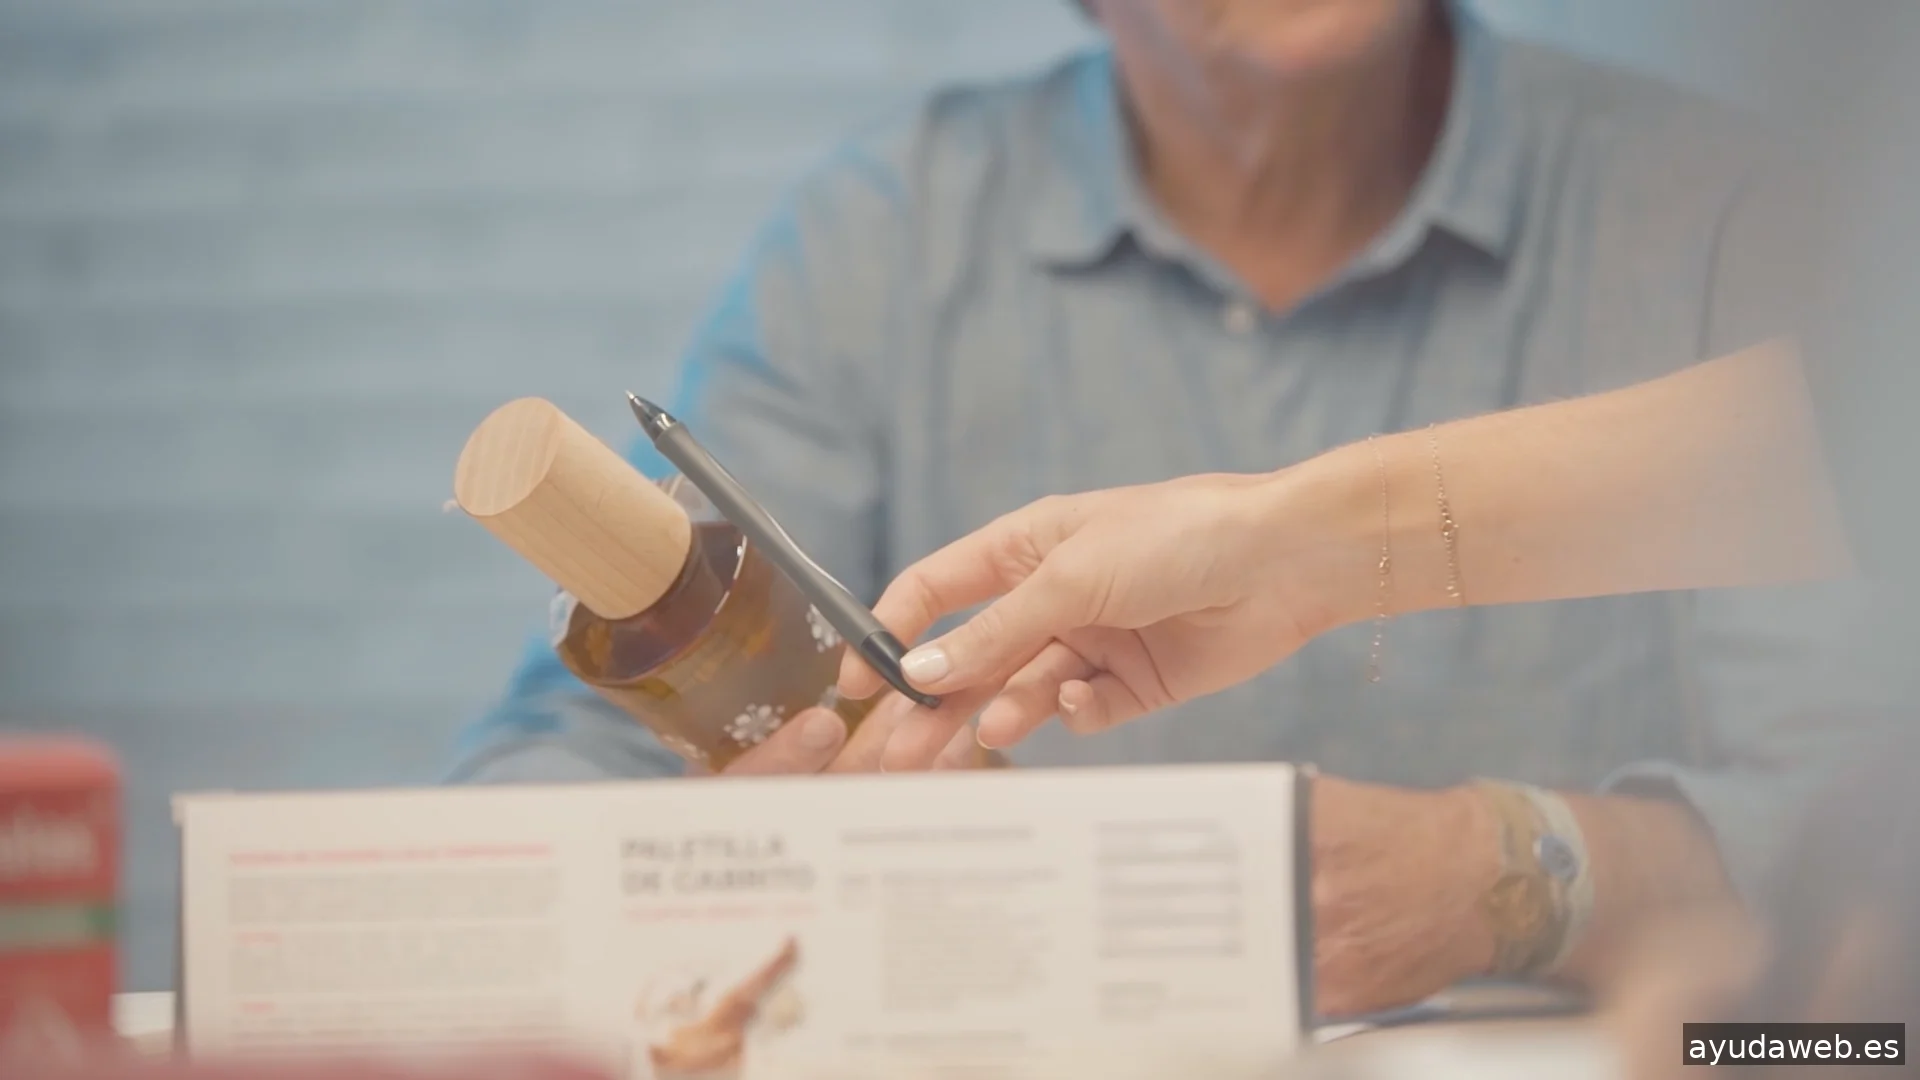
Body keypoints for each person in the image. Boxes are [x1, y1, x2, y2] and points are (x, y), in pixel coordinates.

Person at [451, 0, 1878, 1017]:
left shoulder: (1733, 210)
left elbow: (1872, 835)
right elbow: (555, 771)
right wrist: (689, 864)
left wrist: (1506, 870)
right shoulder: (884, 232)